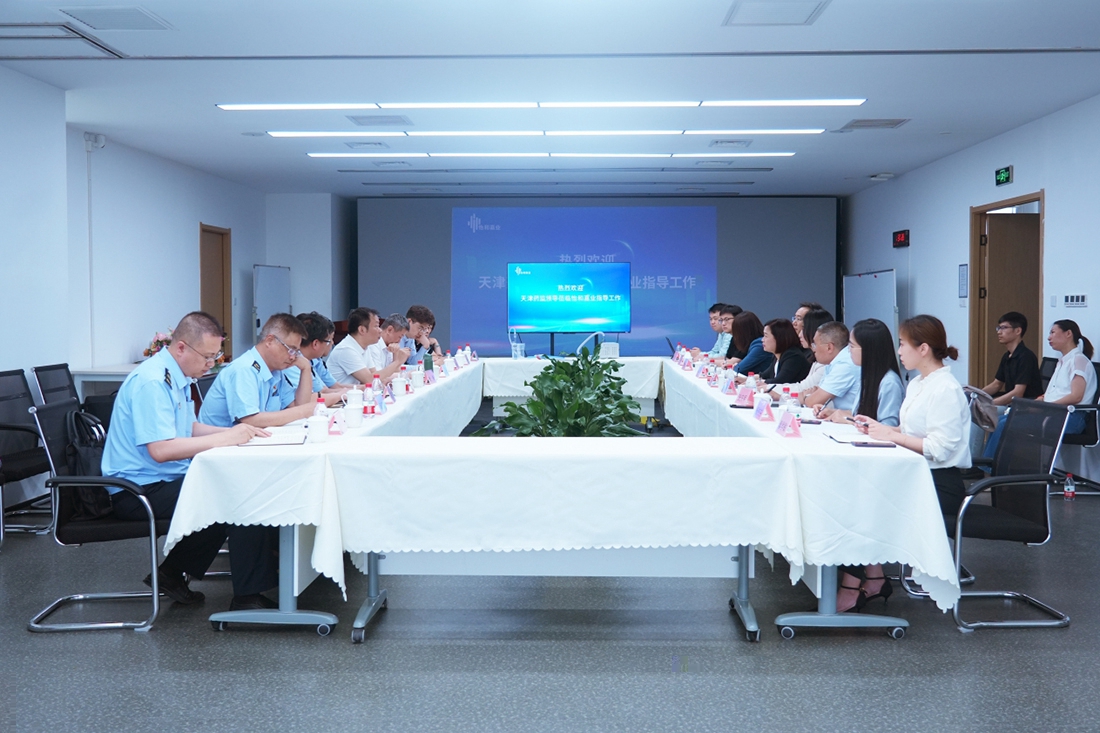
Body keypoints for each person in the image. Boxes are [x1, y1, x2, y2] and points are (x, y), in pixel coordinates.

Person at [101, 311, 280, 611]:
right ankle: (248, 597)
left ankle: (171, 574)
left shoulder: (177, 375)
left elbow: (189, 428)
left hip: (161, 477)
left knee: (229, 487)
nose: (212, 364)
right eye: (207, 357)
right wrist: (225, 438)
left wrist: (239, 433)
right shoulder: (153, 381)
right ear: (182, 347)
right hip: (136, 490)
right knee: (237, 494)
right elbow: (160, 450)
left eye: (215, 356)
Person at [846, 314, 971, 613]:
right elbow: (910, 430)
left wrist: (893, 436)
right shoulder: (918, 383)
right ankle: (871, 578)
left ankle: (853, 584)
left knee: (861, 502)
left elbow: (939, 448)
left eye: (903, 344)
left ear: (923, 349)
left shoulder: (946, 389)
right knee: (855, 495)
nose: (899, 351)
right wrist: (880, 428)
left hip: (939, 483)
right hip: (916, 475)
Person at [199, 313, 339, 429]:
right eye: (290, 349)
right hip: (221, 448)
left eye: (296, 352)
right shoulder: (244, 369)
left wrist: (306, 369)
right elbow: (250, 420)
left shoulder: (276, 371)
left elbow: (298, 405)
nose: (293, 357)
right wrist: (302, 412)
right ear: (270, 341)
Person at [983, 319, 1096, 458]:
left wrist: (1047, 406)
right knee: (1001, 420)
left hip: (1070, 418)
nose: (1049, 337)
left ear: (1068, 334)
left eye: (1053, 332)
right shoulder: (1063, 361)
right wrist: (1042, 399)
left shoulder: (1079, 360)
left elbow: (1076, 396)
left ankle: (990, 468)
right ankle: (993, 465)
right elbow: (1058, 391)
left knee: (1006, 424)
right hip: (1055, 413)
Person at [821, 318, 904, 427]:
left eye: (852, 346)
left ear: (868, 350)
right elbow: (864, 414)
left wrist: (851, 421)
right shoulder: (867, 376)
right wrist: (834, 412)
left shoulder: (889, 383)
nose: (848, 350)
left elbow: (889, 426)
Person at [978, 311, 1043, 406]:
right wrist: (977, 396)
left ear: (1018, 331)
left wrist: (990, 404)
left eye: (1004, 328)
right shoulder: (1007, 356)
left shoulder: (1026, 357)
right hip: (1013, 404)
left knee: (985, 412)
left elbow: (1018, 393)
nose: (999, 332)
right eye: (999, 328)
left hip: (1027, 406)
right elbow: (996, 384)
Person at [286, 311, 353, 394]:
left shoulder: (312, 360)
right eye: (329, 340)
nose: (332, 343)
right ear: (315, 344)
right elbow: (311, 397)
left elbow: (323, 390)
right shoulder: (292, 362)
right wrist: (345, 394)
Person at [803, 321, 860, 414]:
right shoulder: (834, 362)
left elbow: (813, 401)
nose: (813, 349)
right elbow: (818, 393)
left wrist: (806, 396)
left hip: (853, 420)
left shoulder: (845, 364)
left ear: (829, 347)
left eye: (815, 345)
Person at [327, 307, 382, 385]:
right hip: (341, 392)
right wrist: (397, 362)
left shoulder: (364, 347)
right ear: (362, 330)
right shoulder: (346, 349)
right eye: (376, 326)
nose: (380, 330)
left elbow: (375, 375)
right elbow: (370, 380)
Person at [760, 319, 811, 384]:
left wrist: (761, 382)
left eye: (766, 336)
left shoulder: (793, 356)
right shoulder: (777, 355)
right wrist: (750, 379)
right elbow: (763, 375)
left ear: (778, 337)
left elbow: (780, 381)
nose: (762, 340)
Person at [365, 313, 413, 382]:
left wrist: (395, 354)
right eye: (400, 337)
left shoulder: (390, 345)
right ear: (389, 330)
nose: (399, 341)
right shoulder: (373, 345)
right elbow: (379, 377)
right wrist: (407, 374)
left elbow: (395, 372)